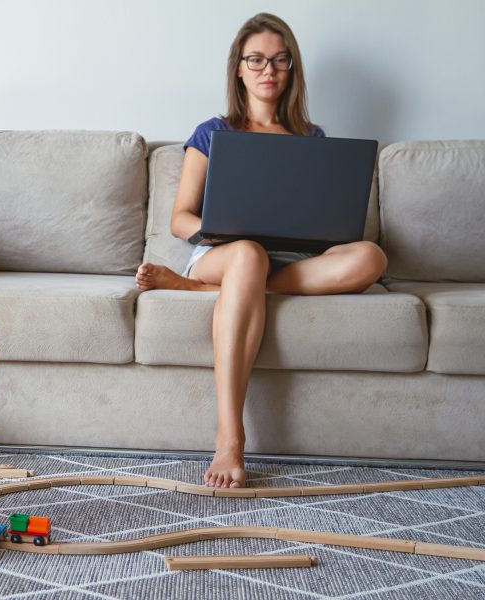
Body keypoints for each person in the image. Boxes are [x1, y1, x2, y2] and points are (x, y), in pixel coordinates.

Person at [135, 13, 387, 489]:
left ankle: (209, 291)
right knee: (249, 254)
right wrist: (221, 236)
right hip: (225, 253)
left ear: (292, 69)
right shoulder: (213, 132)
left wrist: (325, 234)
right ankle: (230, 437)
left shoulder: (312, 139)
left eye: (279, 60)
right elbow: (180, 217)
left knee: (371, 258)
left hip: (290, 260)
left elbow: (323, 223)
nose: (268, 69)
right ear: (239, 68)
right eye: (256, 59)